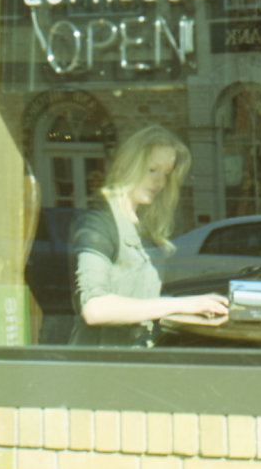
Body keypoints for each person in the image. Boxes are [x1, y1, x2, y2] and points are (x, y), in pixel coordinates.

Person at [69, 125, 228, 346]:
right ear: (129, 165)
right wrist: (182, 304)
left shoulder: (143, 225)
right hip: (102, 364)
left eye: (166, 174)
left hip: (136, 357)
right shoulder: (99, 223)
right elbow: (95, 308)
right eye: (152, 170)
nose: (160, 182)